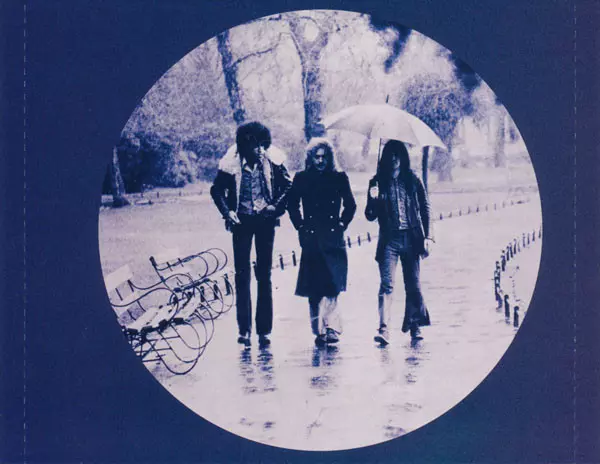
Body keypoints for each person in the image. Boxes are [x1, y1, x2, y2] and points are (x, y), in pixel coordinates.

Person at [210, 122, 292, 347]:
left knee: (264, 274)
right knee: (242, 274)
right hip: (242, 222)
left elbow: (288, 186)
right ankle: (244, 330)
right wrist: (228, 212)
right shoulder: (231, 163)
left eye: (263, 145)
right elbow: (216, 190)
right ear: (246, 146)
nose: (261, 150)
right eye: (256, 146)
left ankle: (264, 330)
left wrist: (275, 207)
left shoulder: (272, 161)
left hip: (265, 221)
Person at [287, 138, 357, 345]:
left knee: (333, 285)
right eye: (316, 157)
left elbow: (351, 205)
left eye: (323, 157)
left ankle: (332, 328)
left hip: (333, 237)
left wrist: (342, 223)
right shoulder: (301, 178)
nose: (320, 161)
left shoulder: (339, 178)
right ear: (310, 158)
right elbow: (292, 204)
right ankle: (319, 331)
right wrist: (300, 226)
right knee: (314, 287)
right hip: (311, 237)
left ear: (329, 158)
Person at [365, 139, 433, 344]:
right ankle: (383, 329)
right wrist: (373, 199)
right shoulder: (377, 182)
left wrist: (429, 236)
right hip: (389, 241)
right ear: (385, 158)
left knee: (413, 285)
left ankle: (415, 325)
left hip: (412, 238)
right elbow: (369, 215)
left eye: (398, 155)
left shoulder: (413, 180)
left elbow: (425, 208)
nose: (394, 159)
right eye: (390, 155)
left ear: (403, 157)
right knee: (387, 285)